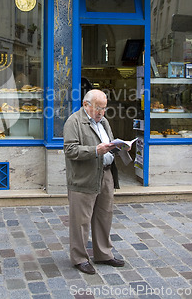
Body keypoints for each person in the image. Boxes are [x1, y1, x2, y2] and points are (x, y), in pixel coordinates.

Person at [63, 89, 128, 275]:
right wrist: (95, 151)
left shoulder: (104, 122)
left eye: (104, 108)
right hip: (84, 177)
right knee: (81, 220)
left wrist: (120, 147)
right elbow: (70, 150)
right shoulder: (73, 122)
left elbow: (109, 144)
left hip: (105, 174)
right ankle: (80, 258)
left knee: (104, 215)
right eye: (98, 108)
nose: (101, 112)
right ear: (86, 105)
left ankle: (103, 254)